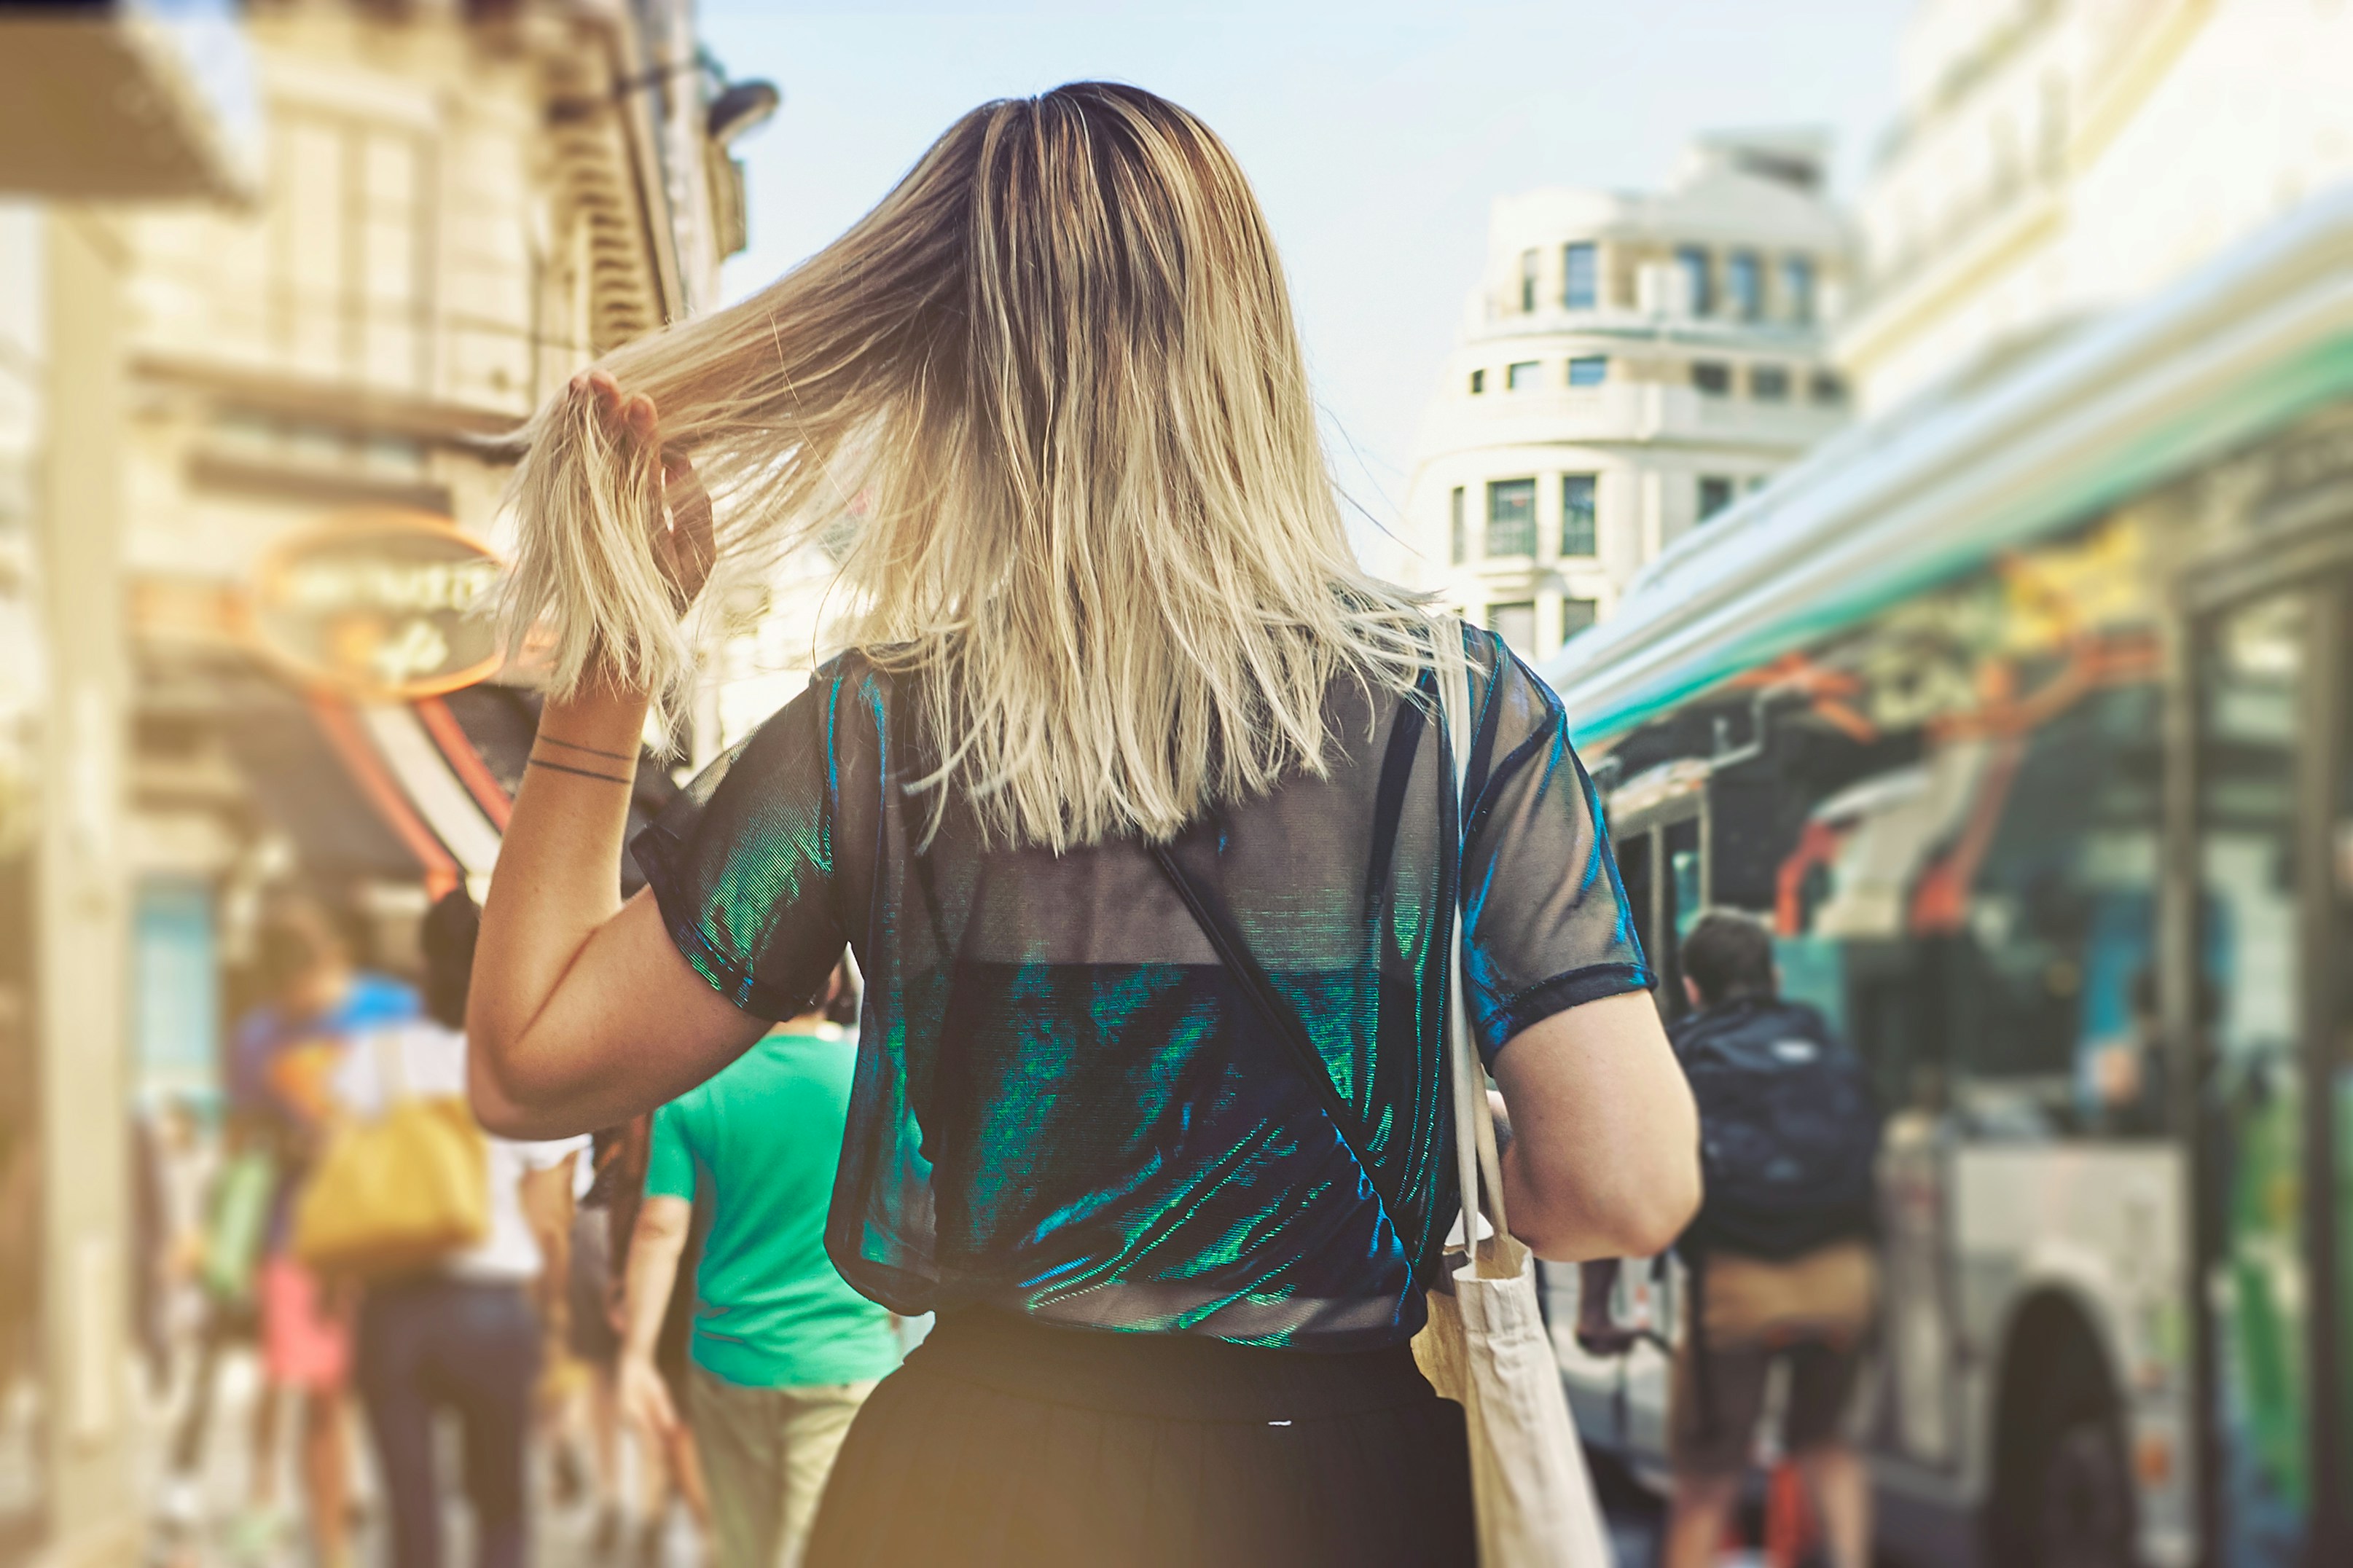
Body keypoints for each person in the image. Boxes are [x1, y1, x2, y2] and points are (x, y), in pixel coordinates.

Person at [467, 82, 1700, 1567]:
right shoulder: (1459, 710)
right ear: (1250, 351)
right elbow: (1625, 1182)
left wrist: (609, 667)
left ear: (947, 383)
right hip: (1338, 1488)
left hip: (978, 1486)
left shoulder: (873, 731)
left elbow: (528, 1065)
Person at [1582, 912, 1881, 1568]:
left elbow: (1624, 1182)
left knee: (1705, 1482)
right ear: (1772, 977)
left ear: (1693, 988)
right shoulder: (1823, 1041)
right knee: (1825, 1443)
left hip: (1739, 1287)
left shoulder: (1679, 1053)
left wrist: (1595, 1307)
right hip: (1845, 1280)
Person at [336, 890, 586, 1568]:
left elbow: (342, 1182)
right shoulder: (524, 1063)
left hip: (394, 1307)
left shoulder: (376, 1056)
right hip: (493, 1312)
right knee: (502, 1507)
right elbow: (549, 1221)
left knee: (411, 1516)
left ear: (422, 963)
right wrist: (554, 1320)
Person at [619, 964, 900, 1568]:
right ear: (833, 988)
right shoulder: (879, 1082)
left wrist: (635, 1358)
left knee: (739, 1552)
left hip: (729, 1356)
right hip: (846, 1357)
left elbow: (660, 1228)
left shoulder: (695, 1089)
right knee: (825, 1549)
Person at [224, 897, 418, 1567]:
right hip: (299, 1238)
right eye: (285, 998)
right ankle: (332, 1546)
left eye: (305, 990)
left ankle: (378, 1517)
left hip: (389, 1233)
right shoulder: (258, 1038)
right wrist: (287, 1145)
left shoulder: (391, 1012)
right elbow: (244, 1137)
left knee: (391, 1390)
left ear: (331, 961)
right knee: (321, 1394)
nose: (297, 1007)